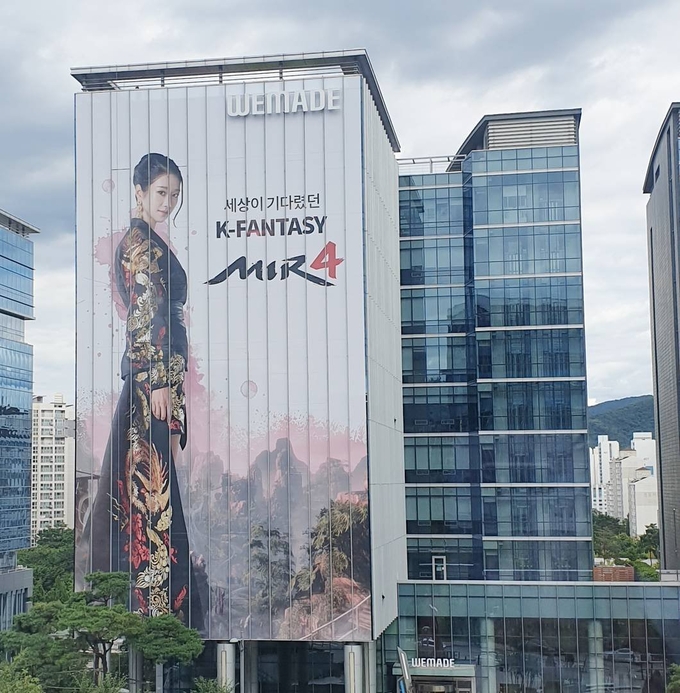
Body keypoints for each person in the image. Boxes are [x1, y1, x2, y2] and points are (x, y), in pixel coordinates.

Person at [85, 153, 202, 629]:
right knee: (150, 496)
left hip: (158, 383)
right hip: (149, 386)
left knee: (154, 492)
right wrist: (156, 381)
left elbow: (161, 316)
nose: (168, 202)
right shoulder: (137, 245)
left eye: (175, 195)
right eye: (161, 193)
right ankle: (154, 612)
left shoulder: (150, 242)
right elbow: (141, 317)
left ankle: (161, 609)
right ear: (139, 192)